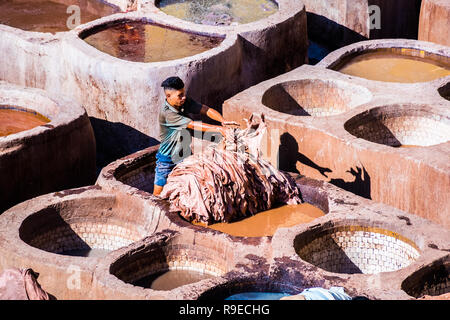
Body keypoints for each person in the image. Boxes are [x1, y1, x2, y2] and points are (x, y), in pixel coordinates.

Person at [153, 76, 237, 196]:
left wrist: (222, 120)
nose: (184, 97)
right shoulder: (168, 113)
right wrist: (220, 129)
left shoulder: (184, 102)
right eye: (180, 95)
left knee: (188, 188)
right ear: (168, 96)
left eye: (184, 93)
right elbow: (193, 125)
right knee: (158, 193)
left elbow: (205, 109)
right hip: (167, 159)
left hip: (184, 155)